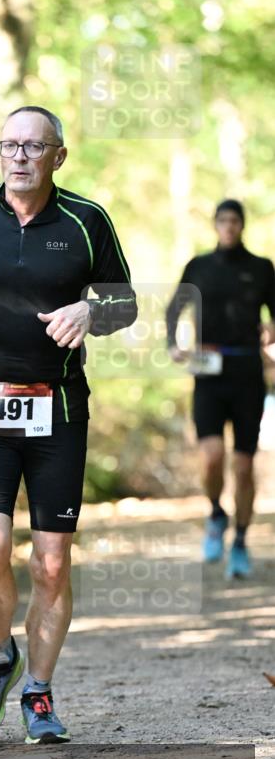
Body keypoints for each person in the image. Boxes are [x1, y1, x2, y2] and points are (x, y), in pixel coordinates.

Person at [0, 106, 136, 743]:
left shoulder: (86, 221)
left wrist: (90, 311)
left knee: (50, 564)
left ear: (58, 156)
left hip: (59, 410)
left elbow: (124, 300)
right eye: (9, 145)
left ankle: (38, 693)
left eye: (34, 147)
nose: (19, 157)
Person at [166, 199, 275, 578]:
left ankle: (241, 541)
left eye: (235, 221)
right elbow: (173, 309)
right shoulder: (199, 266)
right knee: (212, 456)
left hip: (247, 372)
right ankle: (215, 513)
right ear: (215, 225)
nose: (229, 227)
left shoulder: (262, 268)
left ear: (242, 225)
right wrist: (173, 344)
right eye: (223, 221)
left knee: (244, 467)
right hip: (207, 372)